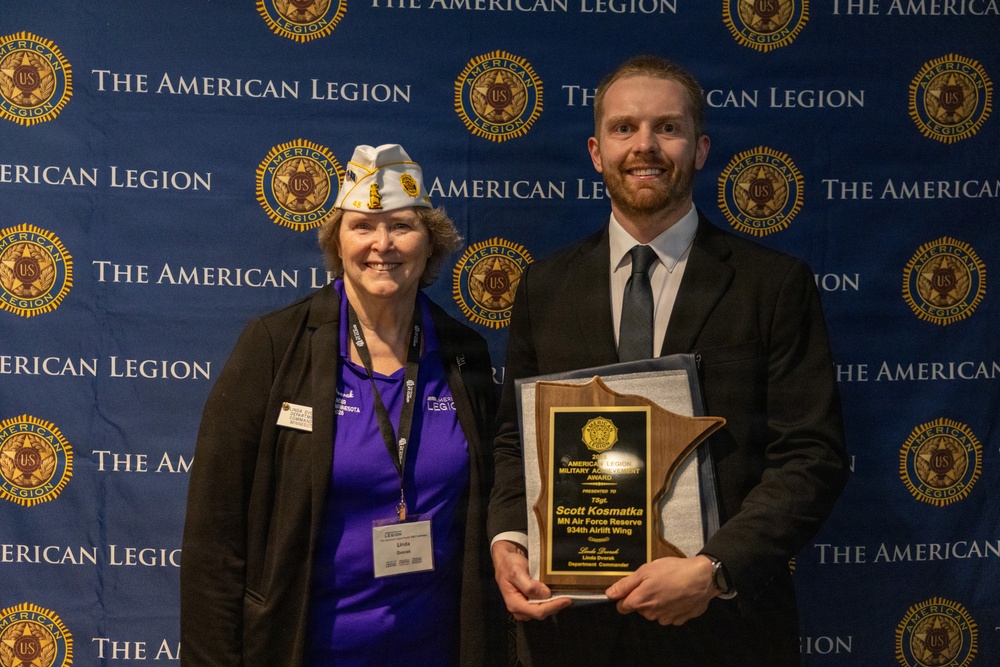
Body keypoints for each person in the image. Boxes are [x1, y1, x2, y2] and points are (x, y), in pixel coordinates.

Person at [487, 56, 849, 666]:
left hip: (725, 629)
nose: (645, 146)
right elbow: (512, 442)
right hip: (570, 631)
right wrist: (510, 541)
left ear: (700, 148)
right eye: (624, 128)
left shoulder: (774, 284)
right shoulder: (542, 287)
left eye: (668, 128)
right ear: (596, 151)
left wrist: (713, 570)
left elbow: (811, 454)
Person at [181, 144, 503, 667]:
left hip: (437, 651)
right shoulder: (274, 346)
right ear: (337, 241)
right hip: (305, 650)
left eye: (401, 225)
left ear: (430, 243)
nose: (382, 244)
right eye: (363, 227)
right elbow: (213, 542)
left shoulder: (465, 353)